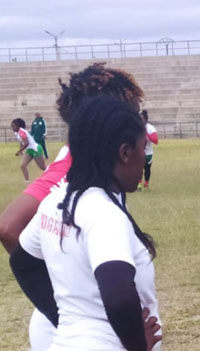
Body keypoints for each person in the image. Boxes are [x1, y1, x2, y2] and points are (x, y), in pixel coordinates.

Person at [0, 62, 147, 351]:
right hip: (80, 331)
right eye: (130, 110)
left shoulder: (102, 170)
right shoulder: (74, 167)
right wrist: (73, 310)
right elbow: (8, 226)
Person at [11, 118, 46, 183]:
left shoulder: (21, 131)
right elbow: (21, 141)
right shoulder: (17, 133)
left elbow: (27, 143)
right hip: (29, 150)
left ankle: (53, 171)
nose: (12, 128)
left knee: (43, 167)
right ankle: (27, 181)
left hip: (35, 149)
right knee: (22, 165)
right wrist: (21, 150)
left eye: (13, 126)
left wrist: (19, 151)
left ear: (18, 126)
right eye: (12, 126)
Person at [138, 110, 159, 190]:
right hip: (139, 152)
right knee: (139, 168)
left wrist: (147, 134)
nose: (141, 121)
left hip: (148, 153)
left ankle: (146, 183)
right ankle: (139, 184)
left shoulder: (150, 128)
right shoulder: (137, 127)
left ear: (146, 119)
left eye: (142, 119)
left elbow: (156, 141)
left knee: (147, 169)